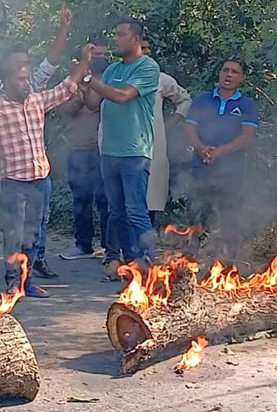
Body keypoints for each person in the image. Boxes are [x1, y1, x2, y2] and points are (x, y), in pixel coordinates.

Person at [0, 45, 92, 297]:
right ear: (7, 80)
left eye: (26, 78)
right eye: (20, 79)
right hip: (14, 183)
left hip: (39, 179)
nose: (25, 83)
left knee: (34, 232)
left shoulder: (37, 101)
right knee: (14, 234)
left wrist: (84, 60)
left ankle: (26, 280)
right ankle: (13, 280)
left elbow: (66, 88)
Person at [0, 7, 72, 281]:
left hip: (38, 169)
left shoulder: (34, 87)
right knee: (16, 226)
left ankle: (35, 262)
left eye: (25, 64)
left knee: (39, 220)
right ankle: (14, 274)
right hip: (14, 171)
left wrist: (63, 28)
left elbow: (51, 62)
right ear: (6, 71)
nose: (23, 71)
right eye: (17, 66)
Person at [83, 19, 160, 266]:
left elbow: (123, 96)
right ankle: (129, 264)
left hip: (135, 152)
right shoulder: (112, 70)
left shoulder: (148, 67)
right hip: (109, 152)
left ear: (135, 39)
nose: (115, 39)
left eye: (121, 35)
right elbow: (93, 104)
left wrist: (88, 81)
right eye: (114, 34)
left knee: (136, 210)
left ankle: (149, 262)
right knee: (116, 212)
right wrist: (84, 79)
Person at [184, 56, 259, 259]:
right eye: (226, 70)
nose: (229, 75)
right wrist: (201, 148)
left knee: (229, 216)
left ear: (241, 78)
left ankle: (226, 264)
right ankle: (190, 260)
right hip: (201, 166)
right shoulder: (201, 100)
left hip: (232, 171)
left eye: (234, 72)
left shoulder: (246, 104)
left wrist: (219, 152)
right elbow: (189, 128)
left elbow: (247, 136)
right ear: (219, 73)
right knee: (197, 213)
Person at [58, 40, 112, 261]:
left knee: (104, 199)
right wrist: (78, 97)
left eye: (102, 54)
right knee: (80, 198)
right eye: (94, 53)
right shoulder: (71, 82)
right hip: (77, 148)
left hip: (103, 149)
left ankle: (110, 247)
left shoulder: (110, 81)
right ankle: (83, 245)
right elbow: (62, 109)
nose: (99, 57)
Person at [140, 41, 192, 219]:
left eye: (148, 48)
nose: (146, 52)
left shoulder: (160, 78)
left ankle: (145, 244)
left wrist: (170, 122)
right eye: (141, 47)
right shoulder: (117, 77)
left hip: (154, 147)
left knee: (150, 201)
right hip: (123, 147)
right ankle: (117, 246)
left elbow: (185, 99)